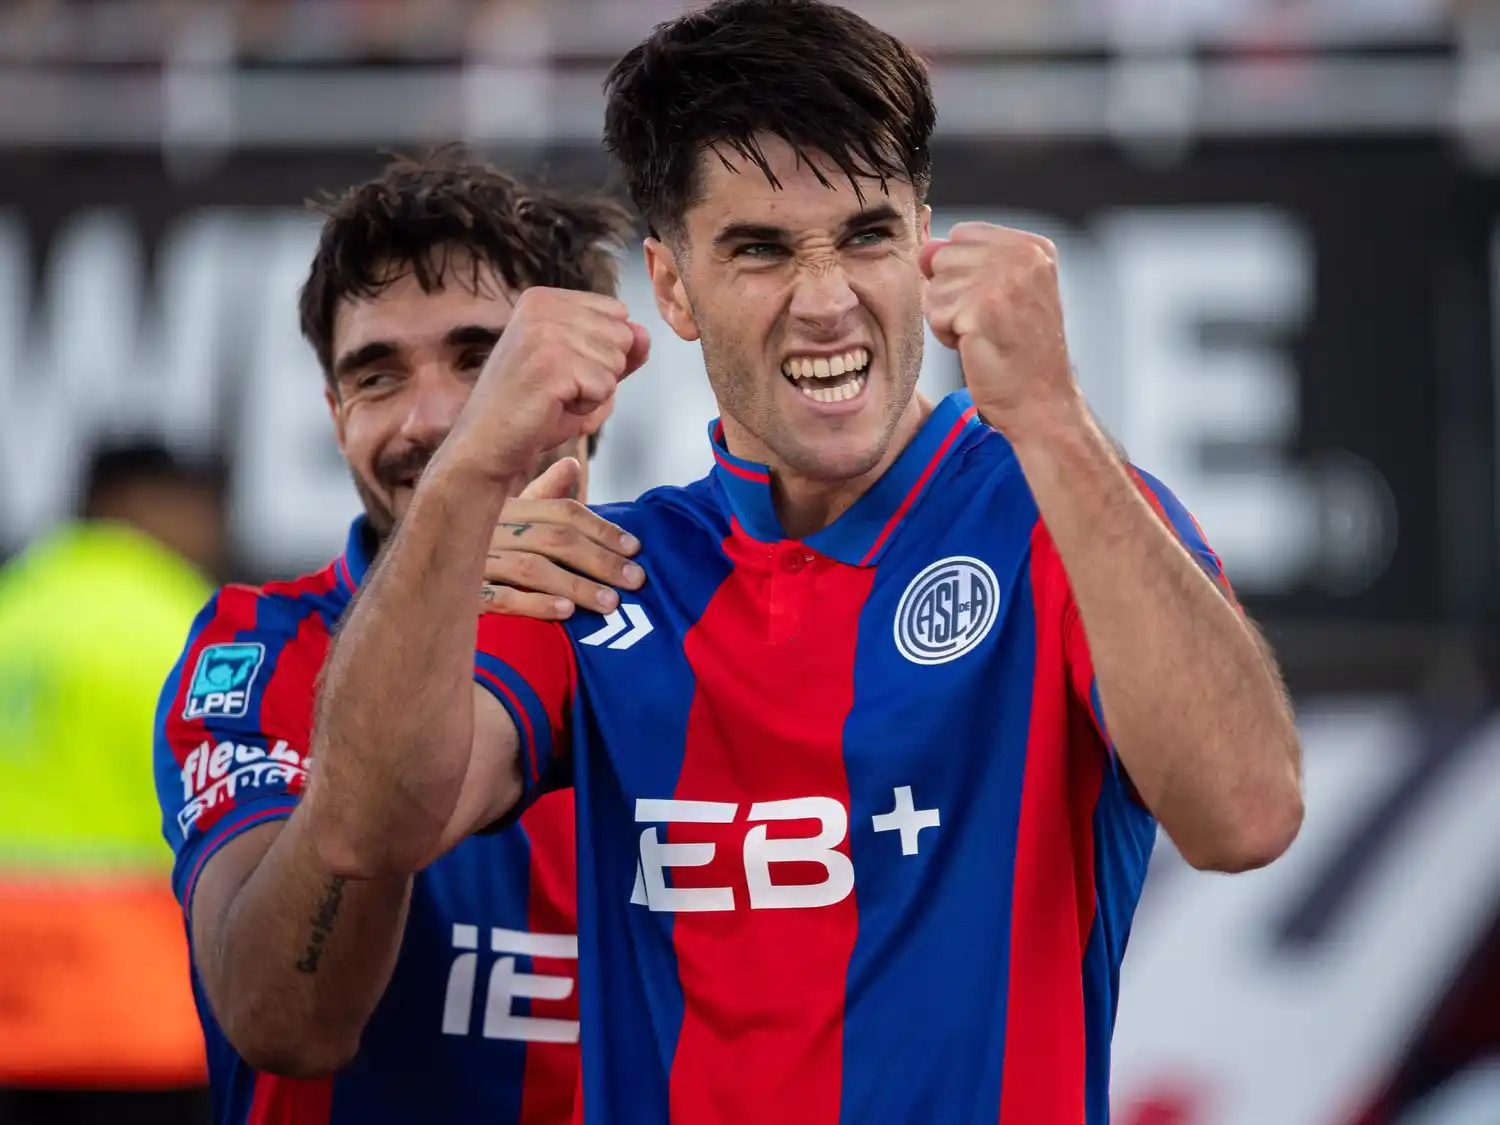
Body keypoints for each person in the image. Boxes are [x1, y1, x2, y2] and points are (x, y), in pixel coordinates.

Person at [305, 3, 1306, 1122]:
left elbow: (1247, 816)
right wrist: (468, 471)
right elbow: (365, 833)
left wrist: (1056, 421)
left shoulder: (1061, 517)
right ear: (673, 288)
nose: (827, 302)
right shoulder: (606, 569)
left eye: (869, 235)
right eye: (761, 249)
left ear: (926, 235)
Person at [151, 153, 645, 1125]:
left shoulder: (697, 635)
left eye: (484, 361)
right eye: (376, 376)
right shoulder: (257, 651)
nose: (435, 423)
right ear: (337, 420)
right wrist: (466, 498)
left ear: (596, 383)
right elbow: (287, 1019)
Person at [0, 441, 223, 1125]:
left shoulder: (15, 610)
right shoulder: (186, 627)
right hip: (143, 1026)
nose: (215, 533)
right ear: (146, 504)